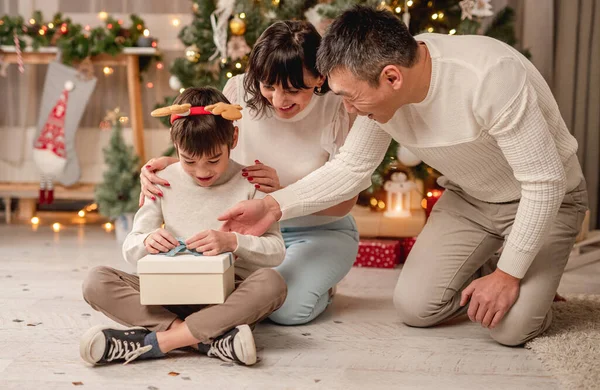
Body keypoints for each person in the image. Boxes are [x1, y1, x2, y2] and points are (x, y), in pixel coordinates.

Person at [218, 6, 589, 346]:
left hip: (546, 199)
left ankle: (518, 279)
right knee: (416, 308)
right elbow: (350, 167)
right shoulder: (378, 97)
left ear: (391, 77)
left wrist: (510, 274)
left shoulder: (490, 79)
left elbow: (544, 183)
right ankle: (497, 269)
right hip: (470, 200)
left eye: (350, 97)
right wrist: (271, 206)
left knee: (512, 329)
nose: (346, 108)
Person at [140, 21, 360, 326]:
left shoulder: (339, 105)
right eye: (268, 86)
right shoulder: (238, 90)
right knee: (216, 294)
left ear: (320, 76)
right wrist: (169, 165)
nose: (279, 100)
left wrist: (284, 192)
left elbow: (346, 201)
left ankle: (322, 284)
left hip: (318, 231)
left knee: (285, 309)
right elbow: (209, 145)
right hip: (249, 234)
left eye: (294, 90)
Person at [80, 87, 287, 366]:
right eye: (189, 161)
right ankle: (206, 340)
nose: (202, 171)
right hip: (166, 292)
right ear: (175, 145)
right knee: (96, 281)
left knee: (272, 284)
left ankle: (155, 342)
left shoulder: (251, 182)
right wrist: (147, 241)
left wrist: (233, 242)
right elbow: (132, 246)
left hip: (226, 296)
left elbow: (276, 251)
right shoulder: (161, 180)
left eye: (214, 159)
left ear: (233, 139)